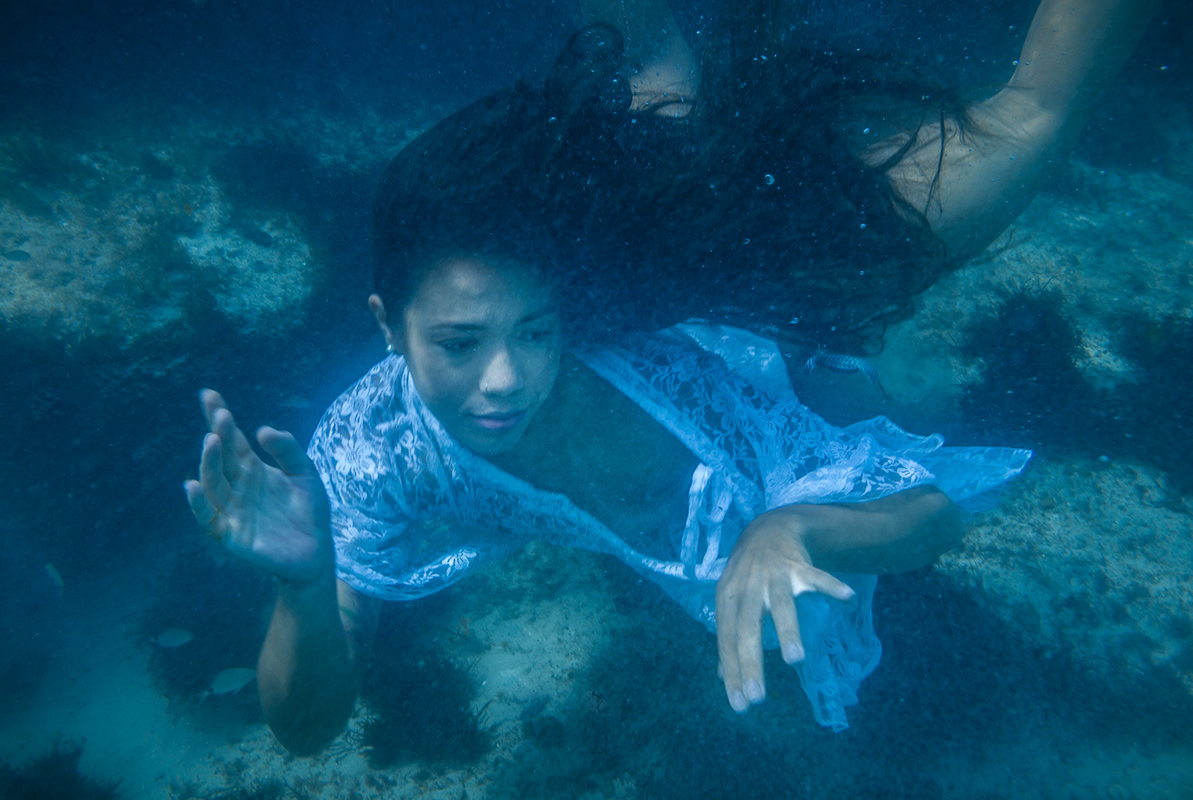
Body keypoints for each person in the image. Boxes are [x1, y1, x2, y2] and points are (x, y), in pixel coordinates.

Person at [184, 0, 1158, 755]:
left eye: (533, 330)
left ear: (561, 308)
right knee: (655, 81)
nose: (504, 381)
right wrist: (305, 590)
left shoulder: (666, 407)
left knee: (1034, 113)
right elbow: (307, 729)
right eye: (459, 341)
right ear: (386, 328)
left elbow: (932, 517)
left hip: (791, 279)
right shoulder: (367, 448)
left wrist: (792, 523)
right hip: (689, 253)